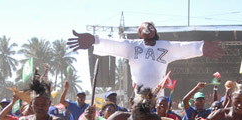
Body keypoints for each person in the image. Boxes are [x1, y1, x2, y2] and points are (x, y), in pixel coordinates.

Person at [67, 21, 221, 90]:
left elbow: (182, 47)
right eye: (144, 27)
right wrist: (94, 40)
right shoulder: (132, 46)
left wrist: (201, 47)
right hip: (139, 95)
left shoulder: (165, 47)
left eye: (150, 26)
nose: (147, 28)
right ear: (139, 33)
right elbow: (114, 44)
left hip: (157, 97)